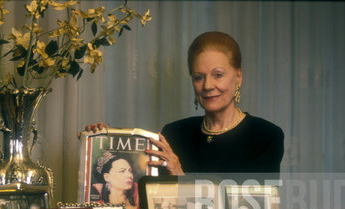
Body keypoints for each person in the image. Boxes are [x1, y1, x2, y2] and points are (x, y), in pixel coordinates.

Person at [82, 31, 284, 176]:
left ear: (238, 77)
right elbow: (143, 198)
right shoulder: (174, 133)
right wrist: (100, 143)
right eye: (198, 77)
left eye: (218, 75)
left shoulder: (266, 136)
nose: (207, 85)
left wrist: (180, 177)